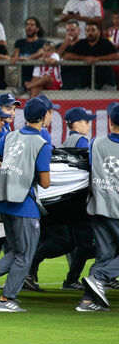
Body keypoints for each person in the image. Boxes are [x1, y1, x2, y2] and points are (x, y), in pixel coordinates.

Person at [0, 97, 52, 312]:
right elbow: (45, 182)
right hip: (24, 205)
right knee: (25, 255)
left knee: (17, 251)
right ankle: (6, 300)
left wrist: (5, 168)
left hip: (5, 202)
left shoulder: (11, 136)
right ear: (44, 118)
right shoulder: (41, 143)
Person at [78, 104, 119, 311]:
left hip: (97, 206)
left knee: (104, 255)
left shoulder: (95, 142)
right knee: (105, 260)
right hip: (117, 209)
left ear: (110, 121)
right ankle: (101, 277)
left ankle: (87, 300)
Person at [65, 21, 119, 90]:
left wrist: (98, 58)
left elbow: (116, 55)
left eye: (93, 30)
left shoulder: (105, 43)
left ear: (98, 32)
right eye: (87, 30)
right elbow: (67, 56)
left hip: (107, 83)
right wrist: (84, 58)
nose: (90, 33)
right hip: (86, 84)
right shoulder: (81, 43)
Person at [11, 17, 46, 88]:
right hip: (23, 77)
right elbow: (16, 55)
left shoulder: (42, 42)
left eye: (32, 25)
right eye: (27, 25)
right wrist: (16, 58)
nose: (29, 27)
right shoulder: (19, 42)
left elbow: (40, 53)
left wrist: (27, 58)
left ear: (37, 29)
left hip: (37, 77)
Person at [56, 21, 82, 90]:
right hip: (63, 81)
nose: (70, 33)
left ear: (78, 30)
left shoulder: (83, 44)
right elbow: (54, 56)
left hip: (79, 82)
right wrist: (65, 44)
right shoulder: (60, 45)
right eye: (67, 30)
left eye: (72, 30)